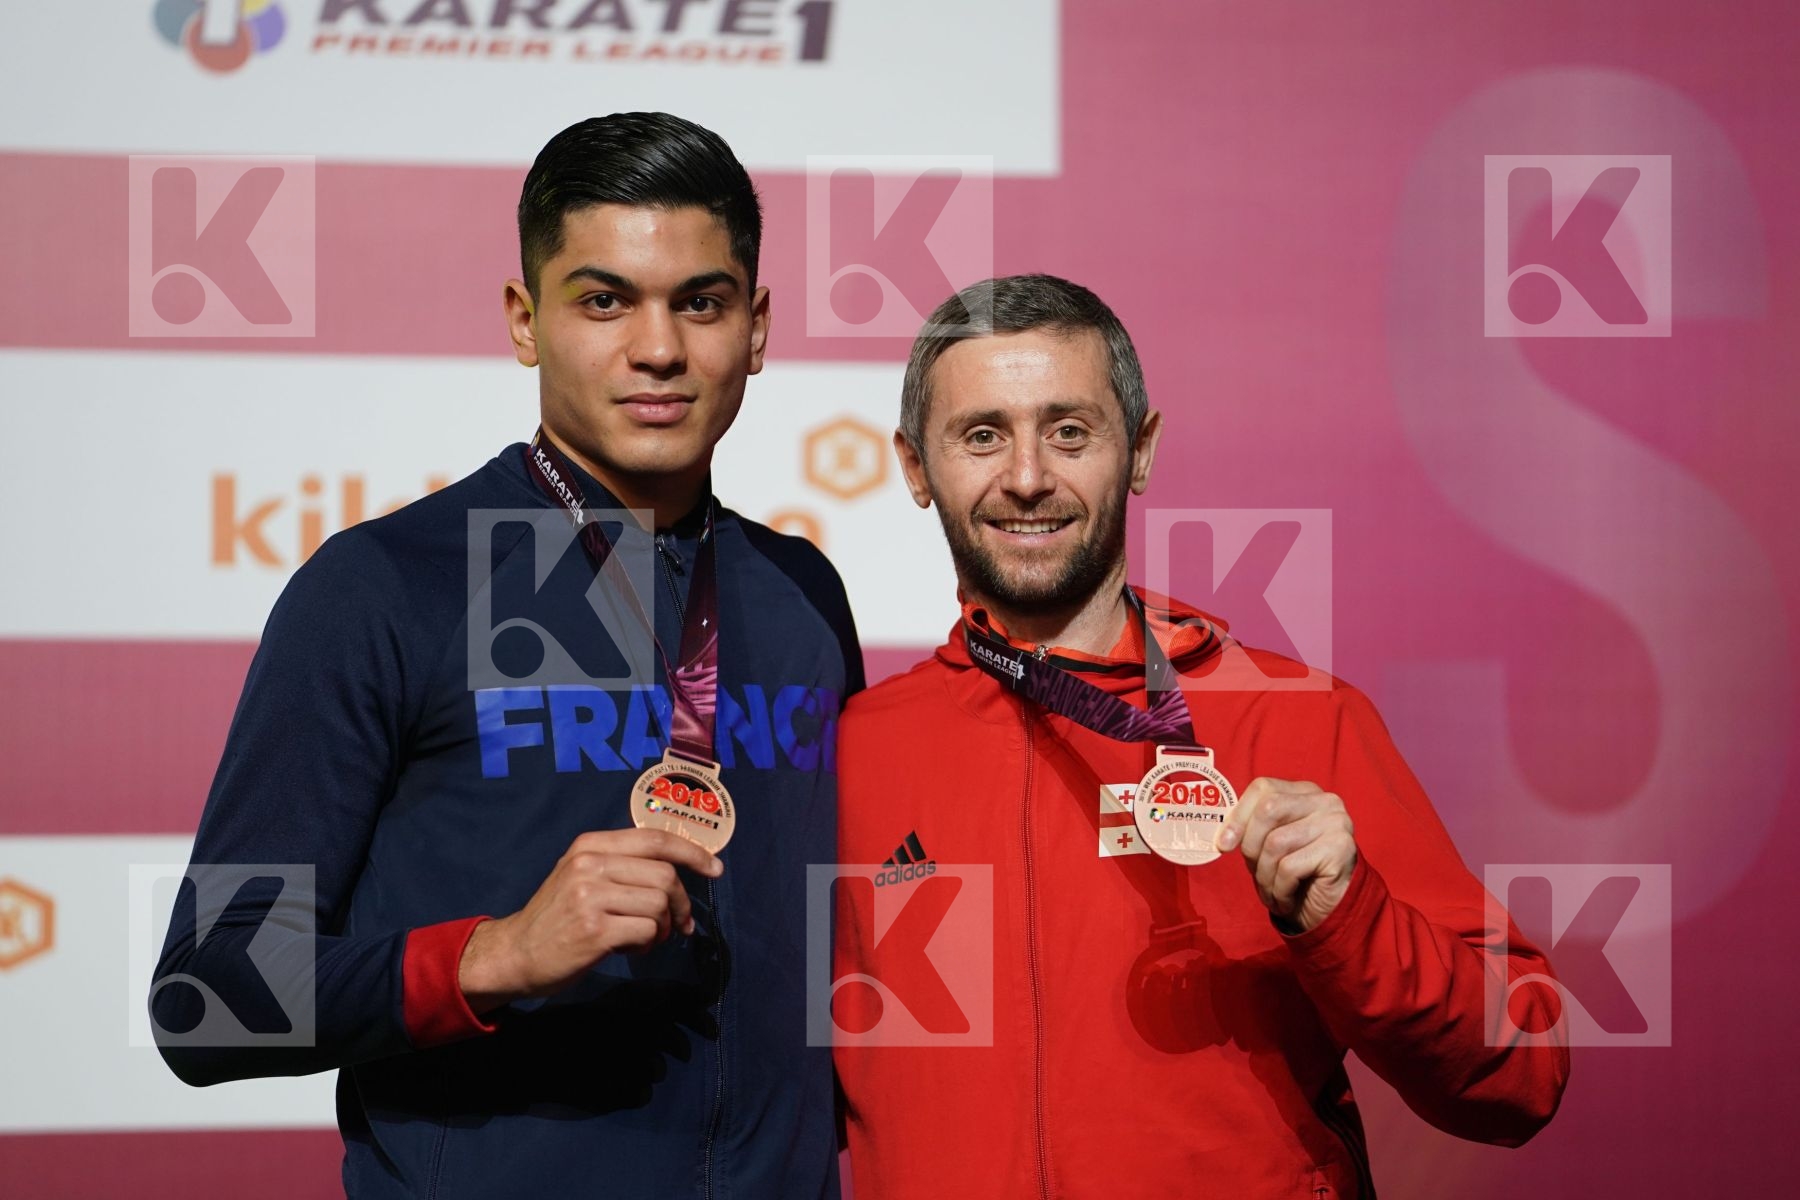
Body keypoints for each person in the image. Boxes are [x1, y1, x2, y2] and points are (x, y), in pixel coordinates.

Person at [152, 112, 861, 1200]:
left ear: (756, 327)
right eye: (604, 300)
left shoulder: (801, 592)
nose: (660, 348)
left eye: (701, 302)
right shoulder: (387, 586)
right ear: (525, 322)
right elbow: (206, 997)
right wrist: (494, 954)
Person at [832, 274, 1568, 1199]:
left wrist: (1349, 915)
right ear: (913, 467)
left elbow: (1519, 1074)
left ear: (1139, 450)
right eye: (982, 435)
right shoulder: (857, 749)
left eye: (1070, 432)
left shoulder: (1299, 718)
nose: (1026, 477)